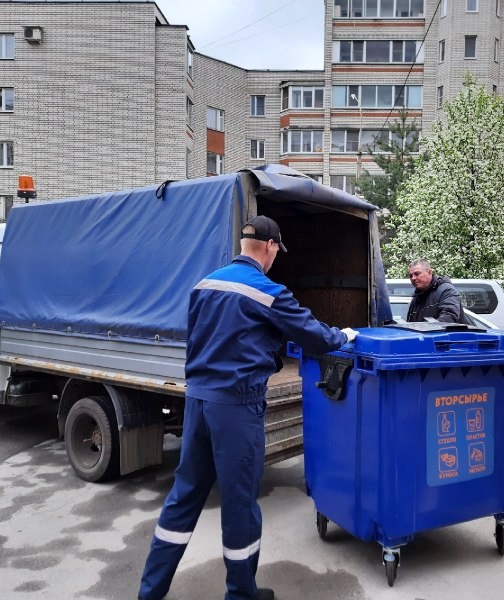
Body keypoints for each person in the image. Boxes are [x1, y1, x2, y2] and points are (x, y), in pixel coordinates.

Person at [139, 216, 359, 600]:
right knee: (239, 502)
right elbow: (315, 337)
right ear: (271, 247)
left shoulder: (204, 284)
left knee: (184, 494)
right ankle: (241, 594)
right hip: (236, 409)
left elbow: (201, 340)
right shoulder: (269, 291)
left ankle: (150, 591)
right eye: (277, 252)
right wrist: (345, 335)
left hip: (197, 400)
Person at [406, 258, 466, 324]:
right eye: (411, 276)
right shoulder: (416, 299)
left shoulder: (446, 291)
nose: (413, 278)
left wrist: (428, 329)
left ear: (429, 273)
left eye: (417, 274)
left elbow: (449, 317)